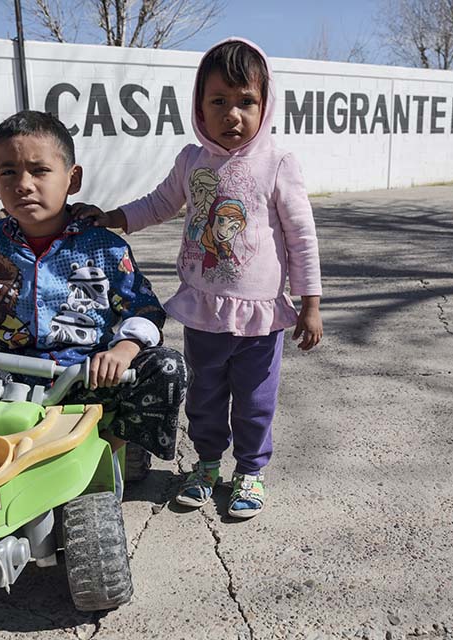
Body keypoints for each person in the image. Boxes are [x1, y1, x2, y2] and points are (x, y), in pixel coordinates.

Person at [73, 39, 322, 518]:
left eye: (246, 101)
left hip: (260, 317)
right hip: (204, 310)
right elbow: (160, 203)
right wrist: (114, 217)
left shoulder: (277, 163)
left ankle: (249, 471)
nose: (233, 114)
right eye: (219, 101)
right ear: (199, 108)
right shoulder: (191, 160)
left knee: (254, 401)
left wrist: (309, 301)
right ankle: (206, 465)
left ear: (265, 105)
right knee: (204, 396)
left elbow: (302, 236)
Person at [0, 110, 186, 491]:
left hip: (84, 377)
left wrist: (124, 349)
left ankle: (118, 444)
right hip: (0, 380)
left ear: (73, 179)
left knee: (166, 368)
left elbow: (145, 308)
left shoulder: (104, 246)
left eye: (39, 171)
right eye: (8, 172)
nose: (23, 184)